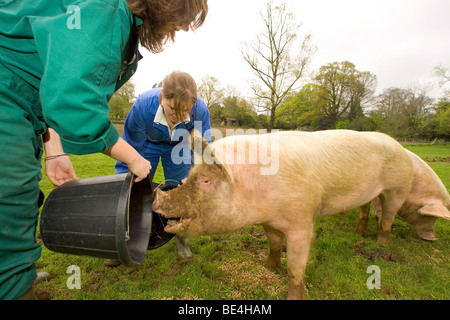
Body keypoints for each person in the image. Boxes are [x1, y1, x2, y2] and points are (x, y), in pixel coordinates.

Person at [0, 0, 208, 300]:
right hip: (9, 97)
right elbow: (77, 104)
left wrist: (54, 149)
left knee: (25, 195)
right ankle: (15, 284)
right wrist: (129, 173)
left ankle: (21, 272)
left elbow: (53, 80)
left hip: (28, 108)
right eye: (180, 16)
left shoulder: (116, 20)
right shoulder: (107, 14)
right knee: (10, 196)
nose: (180, 27)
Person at [113, 71, 211, 265]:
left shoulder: (200, 110)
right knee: (133, 185)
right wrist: (129, 177)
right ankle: (120, 241)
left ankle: (181, 238)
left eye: (186, 112)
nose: (179, 116)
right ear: (162, 98)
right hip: (146, 144)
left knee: (180, 191)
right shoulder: (143, 105)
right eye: (173, 109)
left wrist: (192, 176)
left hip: (179, 147)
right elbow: (131, 147)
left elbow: (202, 150)